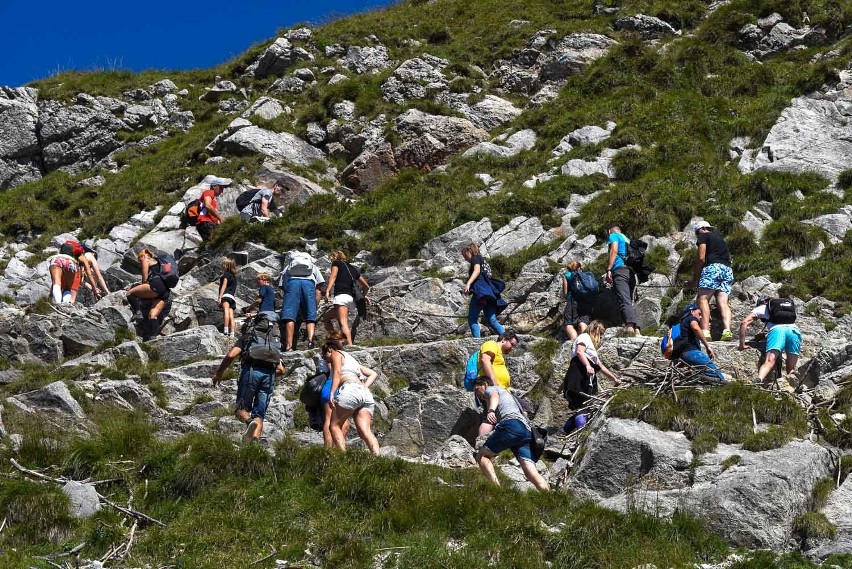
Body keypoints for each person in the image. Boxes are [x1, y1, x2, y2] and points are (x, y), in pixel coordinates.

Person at [212, 317, 285, 444]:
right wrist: (267, 375)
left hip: (251, 372)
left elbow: (231, 355)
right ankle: (254, 443)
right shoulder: (272, 342)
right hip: (269, 375)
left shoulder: (248, 337)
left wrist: (219, 374)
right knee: (259, 414)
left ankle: (249, 422)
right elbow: (281, 370)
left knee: (240, 409)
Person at [472, 378, 549, 491]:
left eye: (477, 389)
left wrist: (491, 410)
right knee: (530, 471)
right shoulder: (508, 395)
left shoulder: (491, 389)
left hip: (511, 425)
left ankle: (497, 491)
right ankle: (548, 496)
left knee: (482, 456)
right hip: (526, 431)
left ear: (484, 384)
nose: (477, 394)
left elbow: (494, 396)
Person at [323, 331, 380, 455]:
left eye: (325, 355)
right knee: (365, 431)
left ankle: (342, 457)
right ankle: (377, 457)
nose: (325, 358)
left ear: (331, 348)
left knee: (334, 426)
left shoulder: (336, 354)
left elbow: (337, 373)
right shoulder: (351, 359)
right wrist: (364, 386)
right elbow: (373, 374)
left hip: (349, 388)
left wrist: (332, 393)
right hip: (364, 393)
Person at [738, 296, 801, 391]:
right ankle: (792, 388)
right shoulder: (785, 307)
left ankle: (758, 380)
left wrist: (742, 344)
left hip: (777, 331)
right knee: (791, 367)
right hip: (794, 331)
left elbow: (744, 322)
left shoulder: (761, 308)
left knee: (769, 361)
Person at [686, 221, 734, 341]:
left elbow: (701, 258)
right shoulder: (720, 240)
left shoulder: (703, 236)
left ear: (701, 229)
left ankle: (705, 331)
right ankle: (727, 331)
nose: (698, 236)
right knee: (723, 302)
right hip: (727, 270)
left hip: (713, 268)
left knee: (702, 299)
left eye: (697, 233)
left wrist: (695, 279)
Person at [563, 320, 623, 414]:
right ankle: (571, 427)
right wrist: (587, 366)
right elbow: (580, 351)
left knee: (583, 409)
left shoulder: (591, 347)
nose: (601, 336)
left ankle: (566, 429)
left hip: (587, 380)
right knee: (582, 407)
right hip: (579, 375)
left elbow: (601, 367)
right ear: (594, 330)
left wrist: (615, 379)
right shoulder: (584, 337)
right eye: (600, 333)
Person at [322, 250, 370, 346]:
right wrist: (363, 296)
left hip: (341, 297)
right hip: (351, 300)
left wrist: (328, 290)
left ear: (334, 257)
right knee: (326, 317)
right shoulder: (352, 268)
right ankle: (336, 340)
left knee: (343, 323)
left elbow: (334, 275)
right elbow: (366, 286)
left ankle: (349, 346)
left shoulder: (336, 263)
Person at [278, 251, 325, 351]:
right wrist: (314, 306)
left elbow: (282, 286)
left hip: (292, 283)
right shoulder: (313, 267)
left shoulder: (288, 268)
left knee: (289, 317)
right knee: (310, 318)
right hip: (309, 284)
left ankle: (289, 346)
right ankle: (310, 342)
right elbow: (319, 288)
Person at [477, 331, 519, 436]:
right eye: (512, 344)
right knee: (490, 416)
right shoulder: (491, 344)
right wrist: (495, 384)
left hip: (499, 391)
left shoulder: (499, 354)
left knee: (496, 416)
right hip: (491, 388)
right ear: (504, 339)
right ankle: (482, 443)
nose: (512, 348)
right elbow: (485, 360)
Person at [462, 243, 506, 338]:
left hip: (481, 293)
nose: (465, 259)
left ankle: (477, 342)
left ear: (469, 252)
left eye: (465, 256)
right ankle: (507, 337)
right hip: (490, 294)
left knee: (472, 319)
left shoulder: (475, 258)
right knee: (492, 320)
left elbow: (477, 271)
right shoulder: (484, 261)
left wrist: (468, 283)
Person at [126, 249, 171, 340]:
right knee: (152, 315)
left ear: (143, 256)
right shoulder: (160, 262)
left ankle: (138, 312)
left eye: (139, 260)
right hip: (165, 291)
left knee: (130, 293)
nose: (140, 261)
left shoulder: (145, 259)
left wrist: (143, 285)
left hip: (156, 285)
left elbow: (144, 274)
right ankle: (152, 336)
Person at [604, 226, 640, 336]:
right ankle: (637, 330)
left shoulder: (614, 235)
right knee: (629, 301)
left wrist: (609, 269)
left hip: (620, 270)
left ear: (610, 231)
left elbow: (614, 250)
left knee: (624, 300)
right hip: (631, 273)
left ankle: (630, 328)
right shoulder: (627, 239)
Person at [677, 303, 726, 381]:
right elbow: (696, 328)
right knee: (718, 376)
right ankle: (699, 377)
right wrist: (707, 346)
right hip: (692, 353)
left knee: (704, 372)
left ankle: (697, 377)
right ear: (692, 312)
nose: (700, 317)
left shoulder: (681, 324)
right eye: (699, 314)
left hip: (682, 355)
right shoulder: (691, 318)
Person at [561, 260, 592, 341]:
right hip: (586, 301)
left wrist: (564, 298)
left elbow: (565, 292)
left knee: (568, 324)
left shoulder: (567, 275)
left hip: (573, 301)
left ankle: (574, 343)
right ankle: (585, 342)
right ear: (579, 267)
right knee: (583, 321)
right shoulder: (585, 275)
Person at [196, 177, 230, 241]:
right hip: (206, 223)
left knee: (212, 244)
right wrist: (220, 218)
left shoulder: (213, 198)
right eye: (221, 188)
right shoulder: (209, 192)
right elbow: (208, 206)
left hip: (204, 224)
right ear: (214, 186)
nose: (222, 191)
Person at [216, 258, 238, 337]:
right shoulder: (234, 277)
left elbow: (224, 285)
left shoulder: (226, 274)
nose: (222, 266)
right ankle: (232, 333)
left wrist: (220, 297)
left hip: (226, 295)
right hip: (232, 297)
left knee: (225, 311)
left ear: (226, 266)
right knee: (231, 315)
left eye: (223, 265)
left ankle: (225, 330)